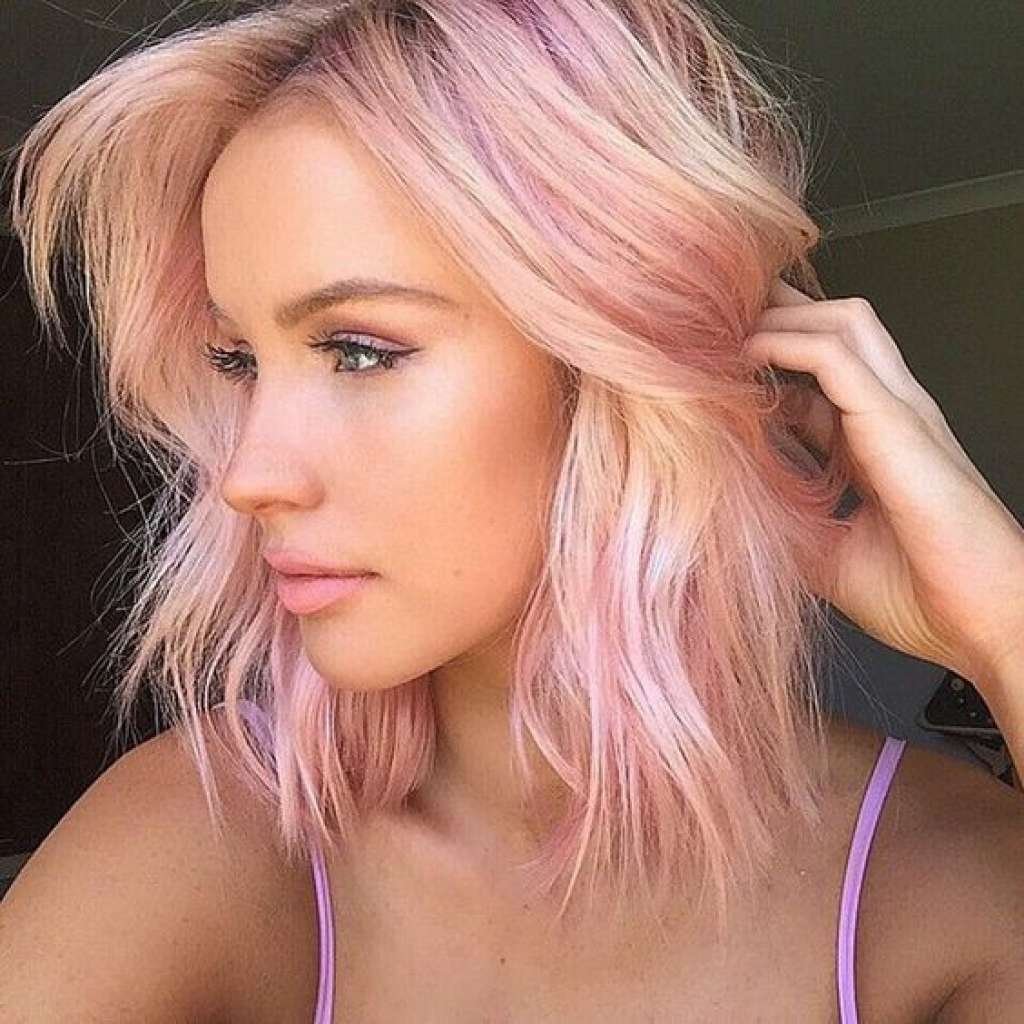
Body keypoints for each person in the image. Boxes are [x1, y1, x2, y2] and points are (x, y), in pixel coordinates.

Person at [3, 1, 1024, 1020]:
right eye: (237, 360)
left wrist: (1005, 622)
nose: (246, 474)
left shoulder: (942, 889)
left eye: (359, 350)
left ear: (618, 372)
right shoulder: (202, 837)